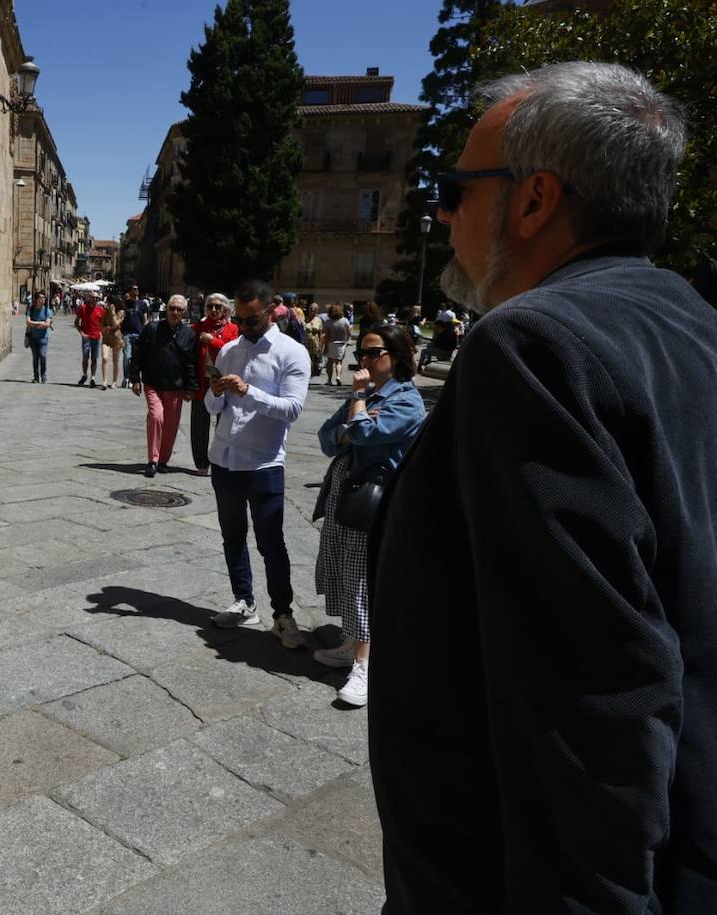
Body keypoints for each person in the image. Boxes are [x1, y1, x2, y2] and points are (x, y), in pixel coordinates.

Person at [369, 62, 717, 911]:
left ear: (534, 202)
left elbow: (594, 702)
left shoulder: (533, 346)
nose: (443, 211)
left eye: (457, 188)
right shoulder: (693, 323)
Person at [312, 324, 424, 707]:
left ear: (397, 356)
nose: (365, 359)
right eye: (363, 352)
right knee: (343, 567)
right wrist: (355, 417)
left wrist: (356, 407)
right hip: (345, 493)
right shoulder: (368, 396)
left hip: (373, 500)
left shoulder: (407, 401)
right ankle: (352, 642)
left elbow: (363, 435)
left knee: (361, 577)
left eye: (375, 352)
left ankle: (365, 664)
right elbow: (328, 437)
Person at [205, 281, 310, 648]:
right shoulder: (229, 350)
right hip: (224, 459)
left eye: (251, 320)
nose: (243, 327)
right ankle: (244, 601)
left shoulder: (291, 352)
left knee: (271, 543)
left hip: (264, 463)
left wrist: (250, 392)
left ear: (271, 312)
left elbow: (292, 409)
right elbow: (212, 407)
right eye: (240, 319)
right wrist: (215, 393)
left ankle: (283, 614)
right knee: (232, 536)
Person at [129, 294, 197, 477]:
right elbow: (138, 353)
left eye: (179, 309)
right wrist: (134, 378)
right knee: (156, 416)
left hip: (176, 386)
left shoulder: (189, 334)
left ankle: (163, 460)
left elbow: (190, 362)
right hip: (153, 383)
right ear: (166, 309)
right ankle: (152, 459)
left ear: (184, 312)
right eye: (172, 308)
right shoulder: (152, 328)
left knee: (171, 425)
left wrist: (191, 387)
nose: (175, 312)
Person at [189, 293, 239, 471]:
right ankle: (201, 464)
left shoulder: (232, 329)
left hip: (223, 381)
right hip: (202, 380)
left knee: (223, 423)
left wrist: (213, 341)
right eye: (210, 306)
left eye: (218, 307)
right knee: (199, 424)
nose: (214, 310)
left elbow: (231, 351)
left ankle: (220, 461)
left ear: (225, 309)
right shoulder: (197, 327)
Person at [75, 291, 106, 387]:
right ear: (89, 298)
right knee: (85, 357)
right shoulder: (82, 308)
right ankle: (84, 375)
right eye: (93, 297)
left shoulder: (101, 310)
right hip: (86, 337)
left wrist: (104, 333)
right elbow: (76, 322)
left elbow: (103, 324)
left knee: (94, 358)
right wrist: (82, 333)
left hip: (96, 337)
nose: (95, 299)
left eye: (96, 298)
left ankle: (93, 378)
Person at [320, 303, 352, 386]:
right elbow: (349, 332)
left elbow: (325, 334)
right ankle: (338, 376)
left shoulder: (328, 322)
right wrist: (348, 340)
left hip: (330, 343)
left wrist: (324, 345)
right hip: (341, 344)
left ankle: (329, 380)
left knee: (330, 362)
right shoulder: (345, 320)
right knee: (339, 362)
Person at [25, 290, 52, 383]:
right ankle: (36, 377)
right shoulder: (31, 309)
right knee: (35, 357)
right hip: (33, 338)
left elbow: (47, 324)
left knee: (43, 356)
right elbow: (28, 322)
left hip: (43, 338)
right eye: (41, 298)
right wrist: (40, 322)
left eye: (44, 298)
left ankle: (43, 375)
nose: (43, 299)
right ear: (36, 299)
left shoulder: (47, 311)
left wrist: (34, 324)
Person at [120, 284, 148, 377]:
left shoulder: (142, 304)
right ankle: (126, 377)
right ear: (130, 291)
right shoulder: (125, 303)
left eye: (137, 289)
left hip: (139, 334)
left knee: (137, 358)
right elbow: (121, 318)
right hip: (127, 334)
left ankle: (134, 377)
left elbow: (145, 320)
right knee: (127, 356)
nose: (136, 290)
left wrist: (145, 334)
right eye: (134, 289)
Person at [99, 295, 126, 388]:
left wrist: (112, 313)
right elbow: (101, 325)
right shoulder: (105, 311)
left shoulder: (121, 312)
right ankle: (105, 381)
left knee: (115, 361)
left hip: (116, 338)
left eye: (109, 303)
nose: (107, 304)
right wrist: (105, 328)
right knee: (104, 358)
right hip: (106, 337)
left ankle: (114, 381)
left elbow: (116, 324)